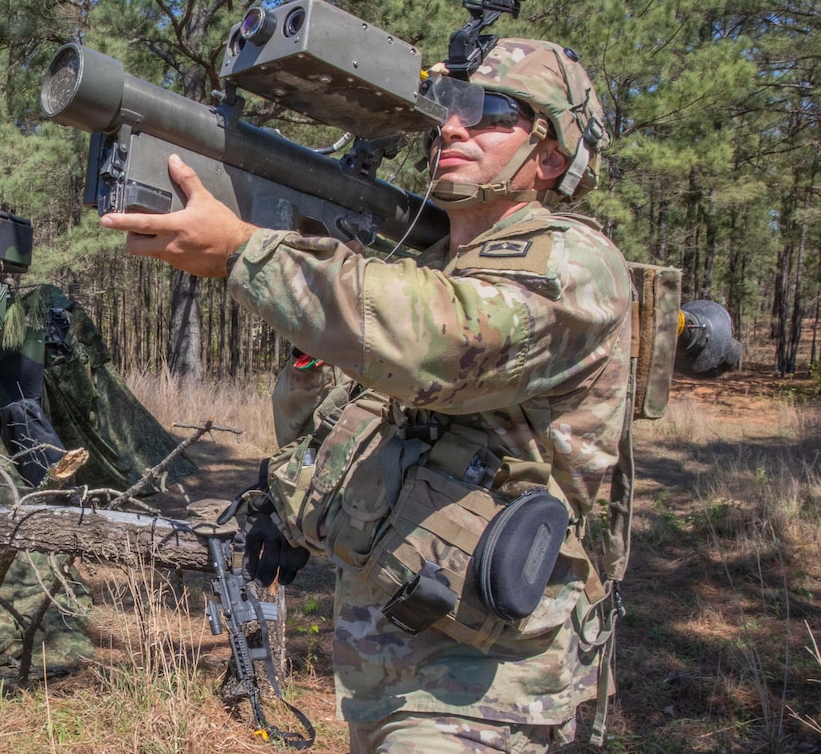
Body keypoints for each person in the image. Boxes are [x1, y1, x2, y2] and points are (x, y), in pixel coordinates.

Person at [101, 39, 630, 753]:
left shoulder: (574, 261)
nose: (452, 128)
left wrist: (247, 252)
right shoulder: (429, 267)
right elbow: (324, 430)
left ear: (551, 154)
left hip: (483, 686)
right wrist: (308, 359)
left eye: (489, 113)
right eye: (449, 112)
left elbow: (434, 345)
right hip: (386, 663)